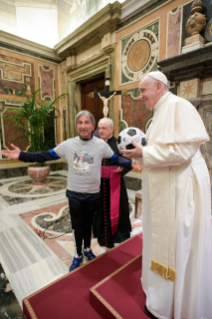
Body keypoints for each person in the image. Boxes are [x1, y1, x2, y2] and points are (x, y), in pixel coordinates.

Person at [121, 71, 212, 319]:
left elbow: (184, 149)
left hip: (182, 188)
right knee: (161, 238)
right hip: (166, 186)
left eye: (143, 90)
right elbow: (162, 150)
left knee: (179, 242)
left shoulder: (178, 106)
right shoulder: (159, 112)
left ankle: (176, 303)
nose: (140, 97)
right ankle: (161, 297)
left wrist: (144, 155)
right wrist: (145, 159)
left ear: (159, 87)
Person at [1, 110, 140, 272]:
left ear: (92, 126)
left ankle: (87, 249)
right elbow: (45, 155)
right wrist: (22, 155)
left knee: (88, 225)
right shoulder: (68, 145)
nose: (83, 126)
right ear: (76, 126)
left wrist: (131, 163)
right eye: (80, 123)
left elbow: (116, 159)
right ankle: (77, 254)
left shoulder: (101, 145)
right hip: (75, 194)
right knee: (77, 226)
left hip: (93, 194)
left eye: (87, 122)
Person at [94, 118, 132, 248]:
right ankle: (101, 234)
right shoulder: (94, 143)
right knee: (99, 209)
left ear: (111, 129)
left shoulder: (119, 143)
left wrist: (123, 168)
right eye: (99, 128)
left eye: (104, 128)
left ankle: (118, 235)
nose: (101, 131)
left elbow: (129, 161)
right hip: (99, 184)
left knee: (117, 208)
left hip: (115, 184)